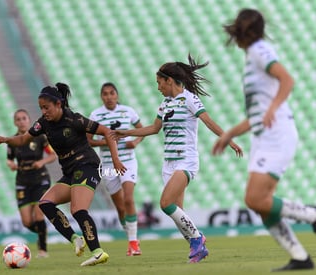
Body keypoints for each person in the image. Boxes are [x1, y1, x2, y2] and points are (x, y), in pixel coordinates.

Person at [212, 8, 316, 271]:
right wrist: (229, 133)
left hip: (277, 134)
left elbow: (287, 80)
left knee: (256, 199)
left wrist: (273, 108)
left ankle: (312, 215)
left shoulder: (260, 50)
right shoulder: (251, 58)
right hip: (264, 135)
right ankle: (300, 257)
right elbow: (257, 115)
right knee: (258, 203)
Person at [114, 54, 243, 263]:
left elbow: (208, 121)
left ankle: (198, 238)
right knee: (178, 213)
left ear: (169, 80)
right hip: (168, 163)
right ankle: (197, 248)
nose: (158, 87)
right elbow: (154, 129)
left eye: (159, 82)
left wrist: (228, 140)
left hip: (186, 160)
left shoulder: (190, 99)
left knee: (165, 203)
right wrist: (125, 132)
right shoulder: (164, 103)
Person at [0, 83, 126, 267]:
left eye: (46, 107)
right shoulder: (43, 123)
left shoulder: (75, 120)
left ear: (59, 104)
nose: (44, 111)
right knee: (45, 203)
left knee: (78, 209)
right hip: (71, 172)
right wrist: (7, 139)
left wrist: (116, 160)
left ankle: (97, 252)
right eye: (41, 108)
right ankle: (75, 239)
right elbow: (24, 138)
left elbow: (106, 131)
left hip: (88, 166)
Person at [87, 82, 143, 256]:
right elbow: (88, 140)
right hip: (108, 165)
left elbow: (141, 130)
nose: (109, 96)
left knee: (128, 199)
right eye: (105, 94)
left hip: (128, 162)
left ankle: (133, 243)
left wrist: (135, 141)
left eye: (112, 93)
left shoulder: (128, 111)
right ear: (101, 96)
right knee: (120, 208)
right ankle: (131, 238)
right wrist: (106, 142)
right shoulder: (96, 115)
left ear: (117, 95)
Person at [6, 109, 57, 258]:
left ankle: (43, 249)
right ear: (15, 122)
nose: (21, 121)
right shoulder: (13, 141)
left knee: (39, 213)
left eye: (24, 118)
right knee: (27, 221)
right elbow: (9, 158)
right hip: (22, 180)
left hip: (40, 179)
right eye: (18, 119)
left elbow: (53, 155)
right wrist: (10, 164)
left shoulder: (40, 137)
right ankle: (43, 232)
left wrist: (42, 161)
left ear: (29, 120)